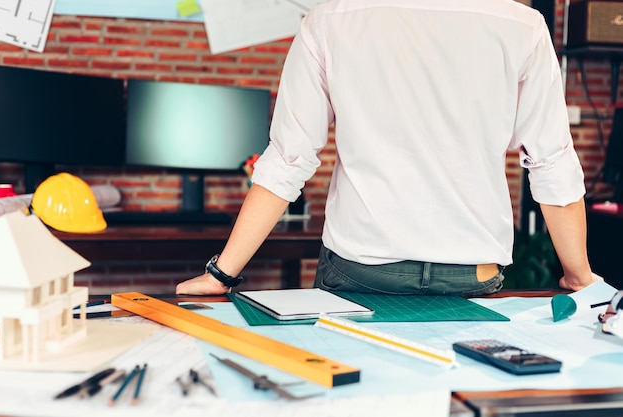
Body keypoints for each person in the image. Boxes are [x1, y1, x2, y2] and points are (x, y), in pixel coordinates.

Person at [176, 0, 601, 296]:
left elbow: (288, 159)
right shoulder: (521, 26)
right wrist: (579, 276)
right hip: (471, 271)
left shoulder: (330, 21)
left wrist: (222, 273)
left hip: (359, 268)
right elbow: (551, 161)